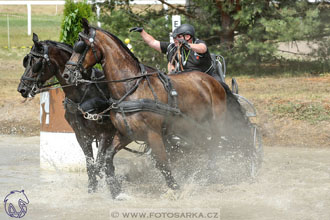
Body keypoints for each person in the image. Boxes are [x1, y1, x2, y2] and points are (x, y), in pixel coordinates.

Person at [130, 24, 217, 78]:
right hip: (186, 80)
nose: (174, 39)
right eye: (174, 37)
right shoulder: (172, 47)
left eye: (177, 37)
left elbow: (203, 48)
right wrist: (142, 32)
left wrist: (188, 45)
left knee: (222, 88)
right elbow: (152, 42)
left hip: (208, 78)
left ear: (187, 37)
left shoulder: (198, 43)